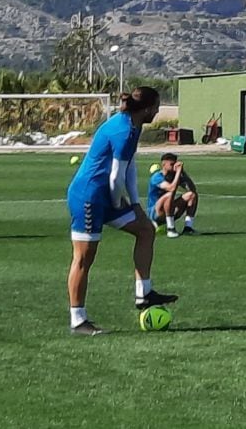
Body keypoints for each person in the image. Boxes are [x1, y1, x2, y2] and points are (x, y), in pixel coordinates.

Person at [66, 87, 177, 335]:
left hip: (106, 197)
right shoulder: (124, 130)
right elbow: (116, 177)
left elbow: (129, 167)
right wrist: (118, 204)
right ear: (147, 109)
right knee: (84, 258)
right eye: (157, 107)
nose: (158, 111)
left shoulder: (133, 126)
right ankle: (78, 320)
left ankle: (144, 293)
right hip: (89, 197)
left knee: (146, 230)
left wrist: (135, 203)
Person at [147, 153, 199, 238]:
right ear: (164, 164)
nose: (174, 166)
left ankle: (188, 228)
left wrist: (183, 172)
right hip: (155, 212)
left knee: (192, 195)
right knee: (170, 194)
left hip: (169, 209)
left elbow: (192, 189)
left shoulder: (174, 176)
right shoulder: (157, 177)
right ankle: (170, 228)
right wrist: (178, 172)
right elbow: (171, 188)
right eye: (171, 164)